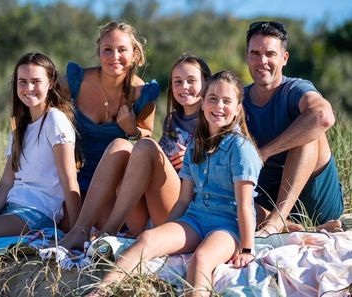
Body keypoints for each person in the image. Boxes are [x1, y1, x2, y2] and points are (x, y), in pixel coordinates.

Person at [88, 71, 262, 297]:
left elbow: (245, 205)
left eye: (227, 101)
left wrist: (247, 249)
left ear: (238, 109)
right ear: (202, 104)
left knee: (201, 258)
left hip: (227, 226)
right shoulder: (196, 145)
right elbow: (183, 199)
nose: (219, 106)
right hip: (196, 218)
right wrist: (165, 230)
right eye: (212, 99)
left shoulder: (240, 148)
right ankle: (101, 291)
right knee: (147, 239)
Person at [59, 53, 212, 251]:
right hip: (149, 213)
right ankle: (81, 231)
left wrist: (195, 162)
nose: (184, 87)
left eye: (191, 81)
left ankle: (107, 233)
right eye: (178, 81)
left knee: (146, 146)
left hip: (183, 216)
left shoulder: (212, 122)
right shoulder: (172, 120)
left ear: (207, 82)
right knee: (119, 145)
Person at [0, 52, 81, 255]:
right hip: (10, 206)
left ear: (51, 83)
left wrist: (78, 232)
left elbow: (70, 183)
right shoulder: (21, 126)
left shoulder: (54, 120)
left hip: (35, 216)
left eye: (36, 81)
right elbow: (6, 183)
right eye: (22, 81)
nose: (28, 88)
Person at [243, 21, 343, 236]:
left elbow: (323, 116)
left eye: (270, 54)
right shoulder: (237, 100)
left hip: (313, 199)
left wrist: (264, 153)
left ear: (284, 58)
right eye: (255, 53)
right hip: (262, 201)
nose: (262, 61)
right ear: (247, 56)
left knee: (310, 131)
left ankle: (278, 221)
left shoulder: (295, 89)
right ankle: (293, 226)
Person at [63, 21, 160, 197]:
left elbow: (147, 137)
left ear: (135, 55)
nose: (114, 56)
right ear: (99, 53)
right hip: (69, 179)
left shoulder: (142, 94)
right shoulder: (76, 81)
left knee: (102, 223)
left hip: (113, 186)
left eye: (122, 49)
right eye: (107, 49)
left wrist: (131, 129)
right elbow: (44, 103)